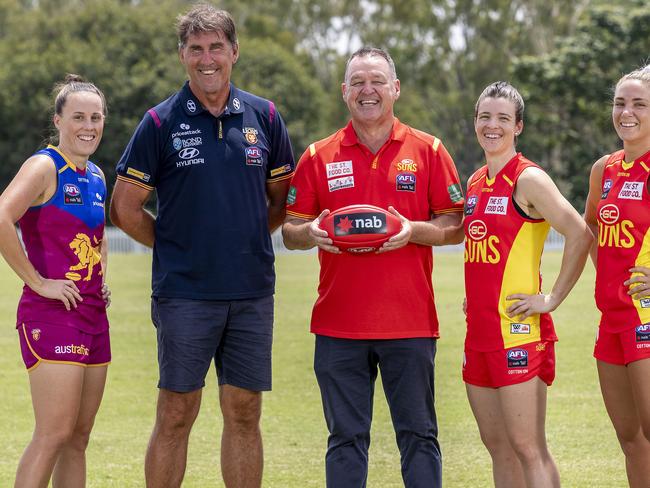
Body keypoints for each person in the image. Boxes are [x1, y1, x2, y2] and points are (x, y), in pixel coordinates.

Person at [109, 4, 294, 487]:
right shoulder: (158, 121)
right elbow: (125, 209)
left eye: (216, 47)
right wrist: (175, 248)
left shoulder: (266, 115)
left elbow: (282, 201)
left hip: (251, 292)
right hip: (185, 295)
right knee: (176, 411)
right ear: (182, 56)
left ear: (234, 51)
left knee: (245, 412)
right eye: (196, 49)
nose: (207, 58)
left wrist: (247, 241)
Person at [282, 46, 464, 488]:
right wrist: (314, 234)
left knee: (419, 436)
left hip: (411, 323)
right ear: (345, 92)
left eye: (377, 81)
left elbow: (455, 224)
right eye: (358, 82)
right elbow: (290, 229)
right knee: (345, 439)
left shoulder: (429, 150)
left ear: (395, 89)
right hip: (338, 324)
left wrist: (412, 231)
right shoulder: (317, 156)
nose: (368, 90)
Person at [462, 81, 593, 488]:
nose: (492, 125)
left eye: (503, 118)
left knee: (528, 446)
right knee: (497, 445)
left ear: (518, 126)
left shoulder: (529, 179)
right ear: (475, 122)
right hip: (479, 333)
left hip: (517, 333)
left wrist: (551, 297)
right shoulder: (475, 182)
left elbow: (580, 232)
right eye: (485, 116)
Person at [0, 74, 111, 487]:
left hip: (92, 314)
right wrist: (39, 281)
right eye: (78, 116)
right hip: (51, 314)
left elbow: (94, 239)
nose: (88, 125)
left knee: (78, 439)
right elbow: (2, 217)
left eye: (96, 117)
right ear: (58, 121)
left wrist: (102, 277)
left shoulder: (97, 176)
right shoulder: (44, 166)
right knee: (54, 434)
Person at [584, 66, 650, 488]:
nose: (626, 112)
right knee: (631, 438)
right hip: (612, 319)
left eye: (639, 104)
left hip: (646, 317)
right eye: (620, 103)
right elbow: (589, 225)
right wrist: (607, 276)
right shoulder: (603, 169)